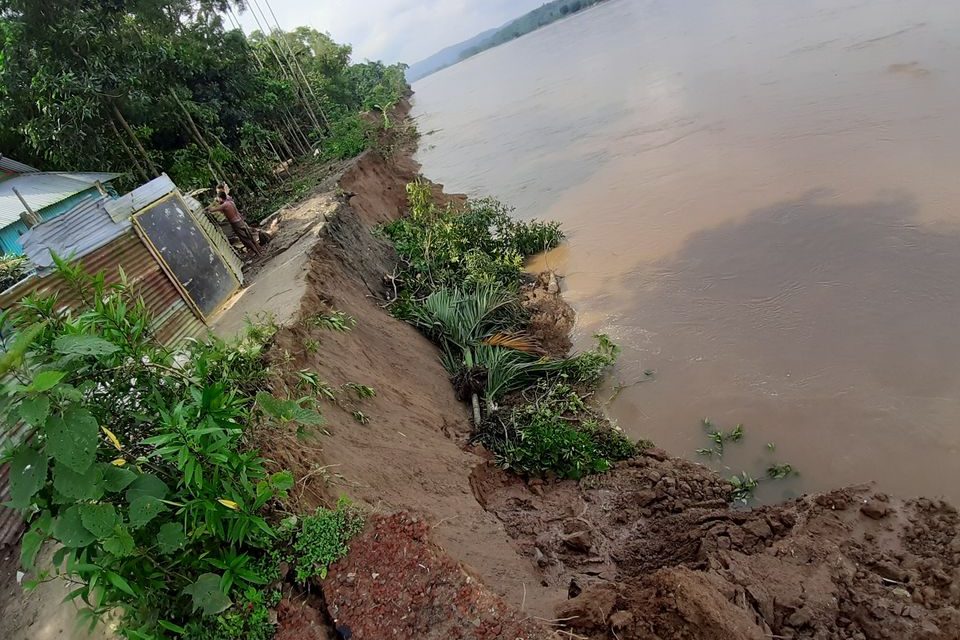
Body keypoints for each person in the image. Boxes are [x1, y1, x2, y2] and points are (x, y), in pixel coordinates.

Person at [207, 190, 262, 256]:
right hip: (240, 221)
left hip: (235, 223)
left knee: (246, 239)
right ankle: (259, 249)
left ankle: (258, 253)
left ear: (220, 198)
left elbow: (212, 210)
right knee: (250, 236)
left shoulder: (224, 205)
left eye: (218, 198)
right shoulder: (231, 202)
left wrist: (212, 204)